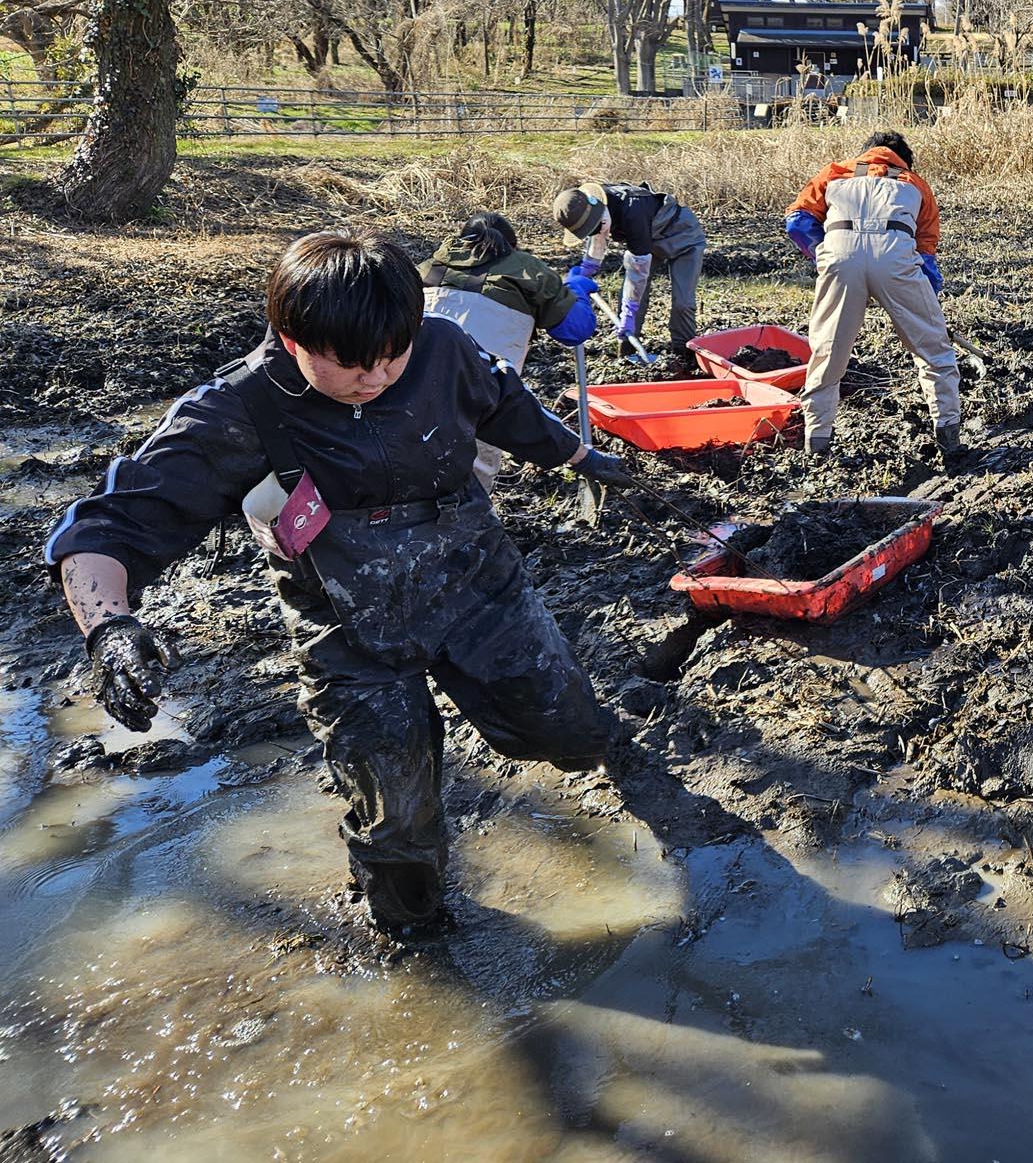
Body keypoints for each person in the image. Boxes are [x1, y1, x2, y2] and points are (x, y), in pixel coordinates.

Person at [44, 232, 639, 936]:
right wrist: (109, 628)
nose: (377, 377)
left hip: (479, 587)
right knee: (395, 817)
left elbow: (508, 406)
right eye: (352, 363)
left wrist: (580, 456)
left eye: (394, 356)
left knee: (565, 726)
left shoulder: (443, 348)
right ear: (292, 337)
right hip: (346, 625)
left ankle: (592, 751)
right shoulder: (233, 409)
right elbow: (109, 528)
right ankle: (414, 937)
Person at [783, 130, 962, 456]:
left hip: (840, 256)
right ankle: (949, 438)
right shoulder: (915, 183)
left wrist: (824, 255)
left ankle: (817, 441)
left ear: (865, 154)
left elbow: (796, 223)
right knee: (934, 352)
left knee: (828, 353)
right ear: (903, 160)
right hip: (896, 258)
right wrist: (925, 304)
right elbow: (926, 255)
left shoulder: (835, 172)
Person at [421, 211, 599, 489]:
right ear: (511, 246)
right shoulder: (528, 269)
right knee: (473, 475)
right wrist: (575, 290)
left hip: (409, 386)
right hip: (481, 394)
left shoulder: (429, 266)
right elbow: (574, 330)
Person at [552, 180, 707, 364]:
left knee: (682, 302)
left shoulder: (633, 212)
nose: (597, 231)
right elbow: (598, 237)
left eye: (597, 226)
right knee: (631, 298)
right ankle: (627, 352)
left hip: (684, 237)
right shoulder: (594, 207)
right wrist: (587, 268)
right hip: (648, 239)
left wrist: (629, 312)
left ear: (601, 212)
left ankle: (685, 355)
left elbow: (637, 272)